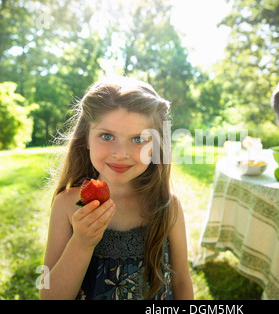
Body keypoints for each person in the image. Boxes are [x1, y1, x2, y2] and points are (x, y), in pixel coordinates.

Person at [40, 75, 194, 300]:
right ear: (86, 138)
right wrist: (82, 243)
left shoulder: (166, 206)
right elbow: (49, 296)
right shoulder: (68, 205)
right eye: (106, 136)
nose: (121, 153)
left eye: (139, 139)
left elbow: (181, 280)